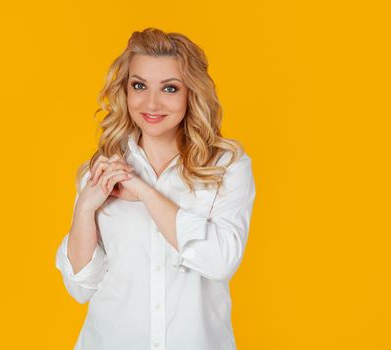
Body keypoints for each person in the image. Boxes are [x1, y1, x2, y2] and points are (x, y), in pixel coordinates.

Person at [55, 27, 257, 350]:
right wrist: (85, 208)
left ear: (191, 92)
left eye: (169, 88)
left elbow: (220, 260)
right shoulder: (103, 170)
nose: (151, 103)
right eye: (139, 85)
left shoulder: (227, 167)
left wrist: (146, 193)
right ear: (126, 90)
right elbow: (80, 287)